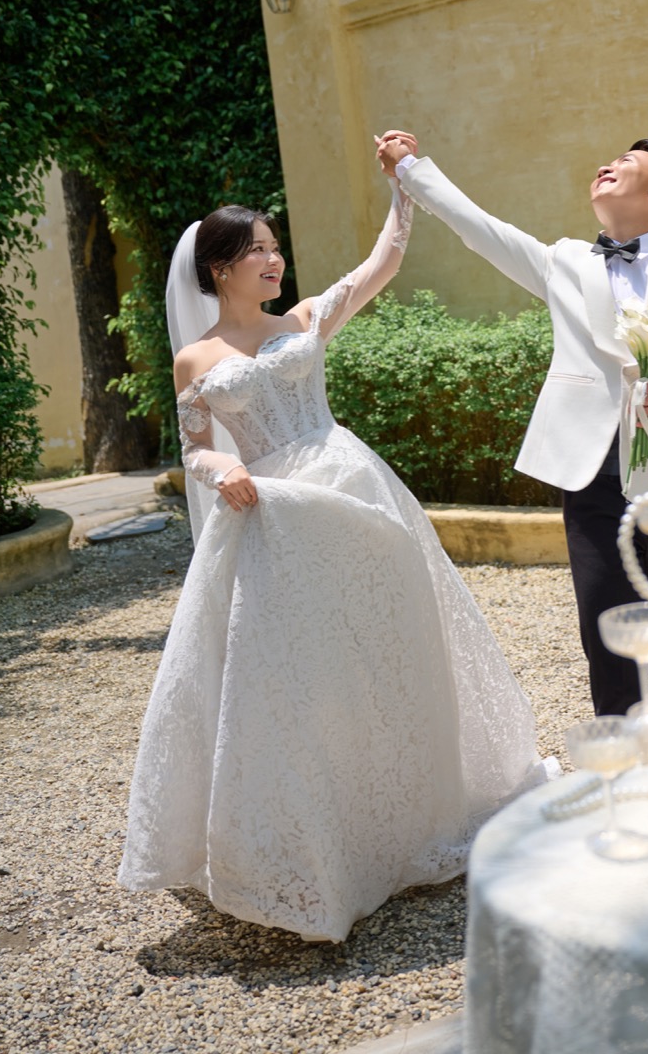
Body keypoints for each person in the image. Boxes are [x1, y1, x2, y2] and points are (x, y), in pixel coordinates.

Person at [118, 176, 552, 943]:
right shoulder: (195, 360)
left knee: (384, 651)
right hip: (272, 514)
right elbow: (193, 452)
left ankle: (409, 810)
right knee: (295, 673)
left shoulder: (307, 317)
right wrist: (225, 471)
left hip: (352, 492)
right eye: (258, 250)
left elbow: (381, 263)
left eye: (276, 248)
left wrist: (403, 191)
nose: (274, 260)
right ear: (219, 267)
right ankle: (322, 835)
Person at [375, 131, 648, 717]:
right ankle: (623, 763)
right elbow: (478, 226)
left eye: (626, 162)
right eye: (606, 160)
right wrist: (409, 168)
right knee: (608, 627)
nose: (607, 165)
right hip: (589, 468)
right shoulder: (563, 259)